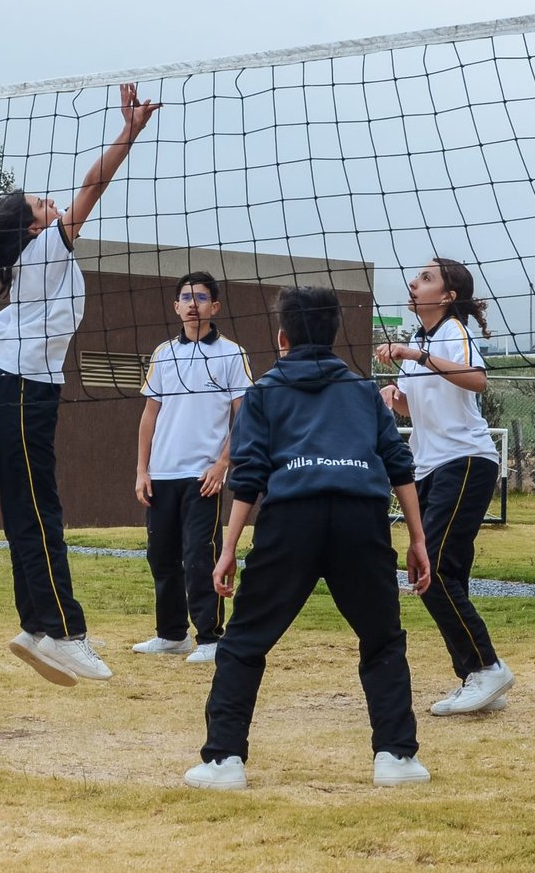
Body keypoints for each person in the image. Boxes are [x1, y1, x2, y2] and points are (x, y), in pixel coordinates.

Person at [0, 83, 159, 687]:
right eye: (44, 205)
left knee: (29, 512)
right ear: (29, 227)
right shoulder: (44, 250)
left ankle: (38, 627)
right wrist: (129, 133)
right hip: (20, 394)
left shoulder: (40, 259)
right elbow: (91, 189)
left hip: (14, 394)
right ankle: (64, 632)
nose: (54, 206)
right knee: (41, 513)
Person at [184, 286, 433, 790]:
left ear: (281, 337)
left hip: (291, 520)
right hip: (360, 519)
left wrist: (228, 548)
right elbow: (399, 464)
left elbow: (248, 475)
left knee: (244, 642)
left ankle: (224, 762)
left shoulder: (264, 393)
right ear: (336, 333)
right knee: (382, 639)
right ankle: (396, 758)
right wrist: (418, 538)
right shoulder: (364, 391)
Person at [377, 258, 513, 716]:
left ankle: (486, 669)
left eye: (427, 278)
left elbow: (478, 381)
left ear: (448, 296)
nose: (414, 282)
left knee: (428, 569)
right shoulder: (421, 338)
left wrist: (414, 358)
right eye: (417, 277)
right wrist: (397, 401)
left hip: (467, 461)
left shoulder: (454, 332)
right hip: (432, 466)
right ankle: (479, 677)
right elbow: (431, 410)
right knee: (445, 574)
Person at [132, 271, 252, 664]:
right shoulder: (163, 353)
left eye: (200, 297)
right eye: (185, 297)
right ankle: (171, 635)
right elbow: (149, 415)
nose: (192, 303)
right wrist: (141, 470)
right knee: (161, 557)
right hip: (162, 475)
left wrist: (222, 465)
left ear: (214, 306)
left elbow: (244, 417)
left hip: (203, 476)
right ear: (175, 306)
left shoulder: (232, 353)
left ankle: (211, 638)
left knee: (200, 555)